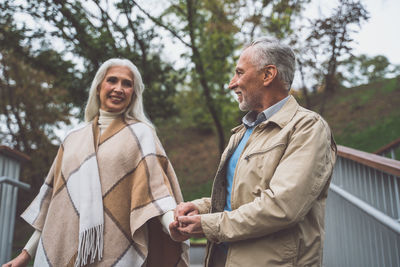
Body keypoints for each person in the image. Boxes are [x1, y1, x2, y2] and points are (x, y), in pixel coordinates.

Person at [3, 58, 189, 267]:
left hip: (115, 247)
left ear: (134, 93)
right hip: (63, 244)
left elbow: (156, 192)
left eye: (127, 84)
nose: (119, 88)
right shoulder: (72, 139)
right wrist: (25, 255)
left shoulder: (141, 134)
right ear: (99, 86)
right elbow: (52, 206)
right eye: (112, 80)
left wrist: (172, 224)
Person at [169, 37, 337, 266]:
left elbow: (282, 207)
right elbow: (240, 198)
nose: (231, 83)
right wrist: (200, 208)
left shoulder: (307, 127)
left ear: (268, 75)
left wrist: (208, 225)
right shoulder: (242, 132)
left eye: (239, 73)